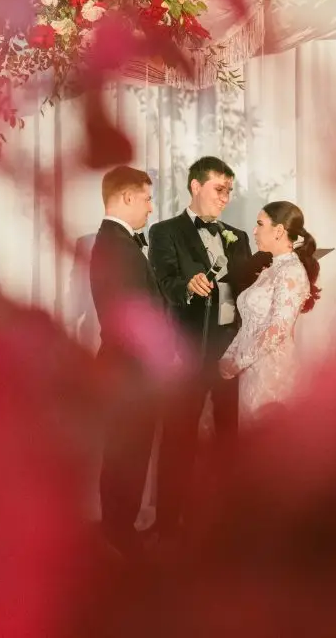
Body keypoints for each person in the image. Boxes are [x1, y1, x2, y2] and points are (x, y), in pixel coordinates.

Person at [147, 156, 251, 537]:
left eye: (229, 191)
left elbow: (246, 294)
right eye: (218, 189)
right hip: (187, 353)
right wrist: (187, 287)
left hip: (228, 353)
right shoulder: (165, 232)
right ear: (195, 186)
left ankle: (223, 524)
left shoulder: (238, 236)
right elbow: (165, 283)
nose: (225, 198)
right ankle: (168, 524)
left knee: (228, 439)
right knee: (179, 439)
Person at [88, 165, 159, 559]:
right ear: (127, 197)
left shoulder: (117, 242)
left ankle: (119, 529)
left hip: (126, 367)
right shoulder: (117, 245)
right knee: (126, 454)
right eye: (147, 198)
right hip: (130, 368)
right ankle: (118, 533)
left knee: (127, 452)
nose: (151, 207)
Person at [218, 201, 320, 423]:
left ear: (279, 231)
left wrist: (238, 362)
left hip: (272, 372)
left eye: (259, 224)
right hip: (251, 372)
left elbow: (278, 329)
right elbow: (249, 324)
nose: (254, 230)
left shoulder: (292, 271)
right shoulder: (271, 270)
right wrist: (228, 356)